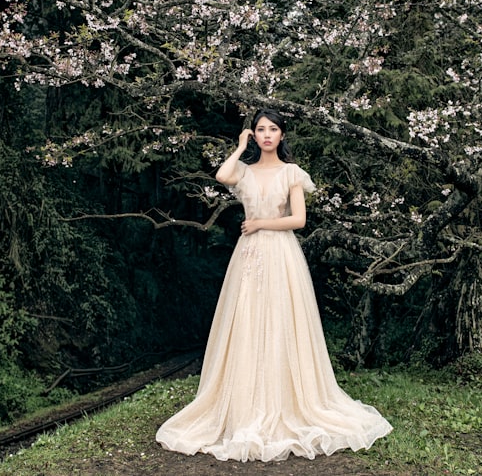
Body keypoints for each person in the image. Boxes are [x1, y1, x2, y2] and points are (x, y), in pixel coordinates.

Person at [156, 109, 393, 462]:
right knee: (248, 319)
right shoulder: (245, 171)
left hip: (280, 252)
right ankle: (245, 402)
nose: (267, 135)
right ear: (254, 134)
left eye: (273, 129)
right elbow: (222, 175)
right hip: (249, 255)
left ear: (282, 135)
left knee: (281, 320)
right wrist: (239, 146)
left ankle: (285, 399)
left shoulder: (292, 173)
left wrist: (262, 223)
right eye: (260, 130)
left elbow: (298, 219)